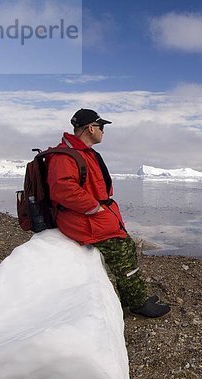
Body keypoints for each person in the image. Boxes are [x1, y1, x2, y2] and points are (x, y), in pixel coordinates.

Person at [46, 108, 170, 318]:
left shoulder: (83, 152)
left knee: (127, 245)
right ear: (90, 128)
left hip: (91, 217)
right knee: (122, 250)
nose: (103, 131)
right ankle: (138, 303)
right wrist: (95, 207)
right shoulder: (65, 156)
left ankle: (132, 297)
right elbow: (62, 189)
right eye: (101, 126)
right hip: (82, 220)